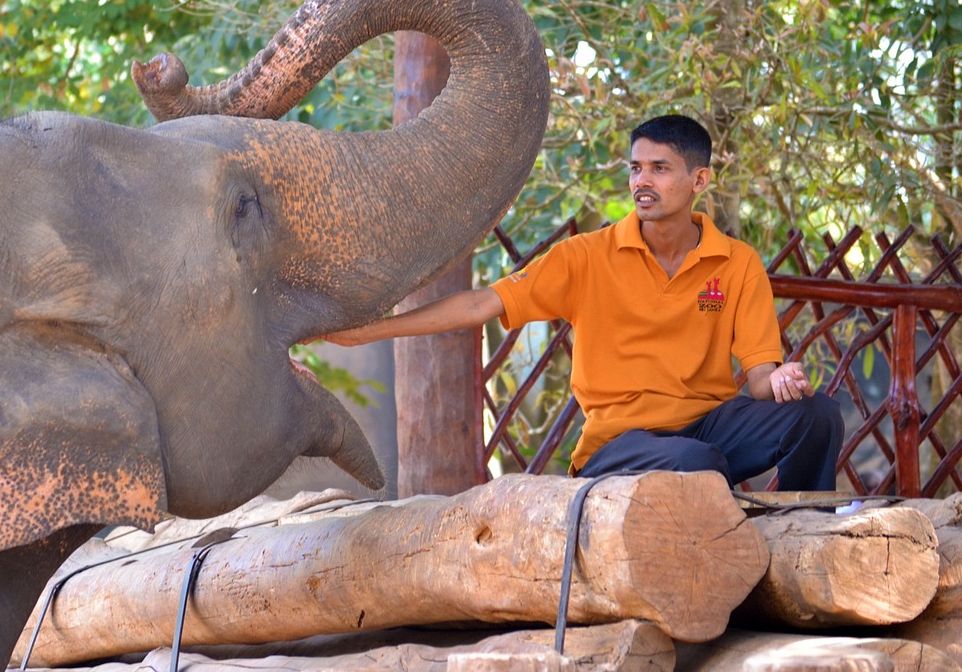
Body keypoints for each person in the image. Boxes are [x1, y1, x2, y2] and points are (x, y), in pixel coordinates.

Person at [325, 114, 844, 491]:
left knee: (817, 415)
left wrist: (779, 380)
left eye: (660, 168)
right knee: (697, 461)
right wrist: (368, 328)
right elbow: (480, 304)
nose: (642, 181)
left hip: (708, 429)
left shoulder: (736, 263)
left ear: (699, 180)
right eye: (636, 168)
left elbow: (759, 377)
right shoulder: (585, 257)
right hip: (619, 444)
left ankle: (801, 525)